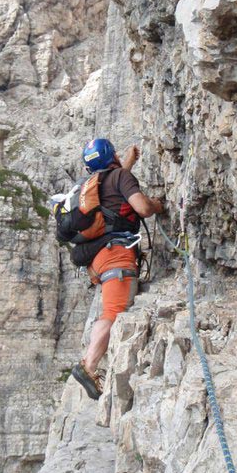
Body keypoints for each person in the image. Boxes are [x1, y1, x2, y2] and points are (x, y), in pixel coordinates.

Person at [71, 138, 164, 400]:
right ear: (111, 155)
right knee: (113, 312)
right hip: (117, 256)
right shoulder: (120, 176)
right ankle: (88, 365)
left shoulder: (93, 185)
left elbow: (113, 196)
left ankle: (90, 361)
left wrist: (129, 162)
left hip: (97, 258)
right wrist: (157, 205)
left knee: (110, 307)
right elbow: (142, 208)